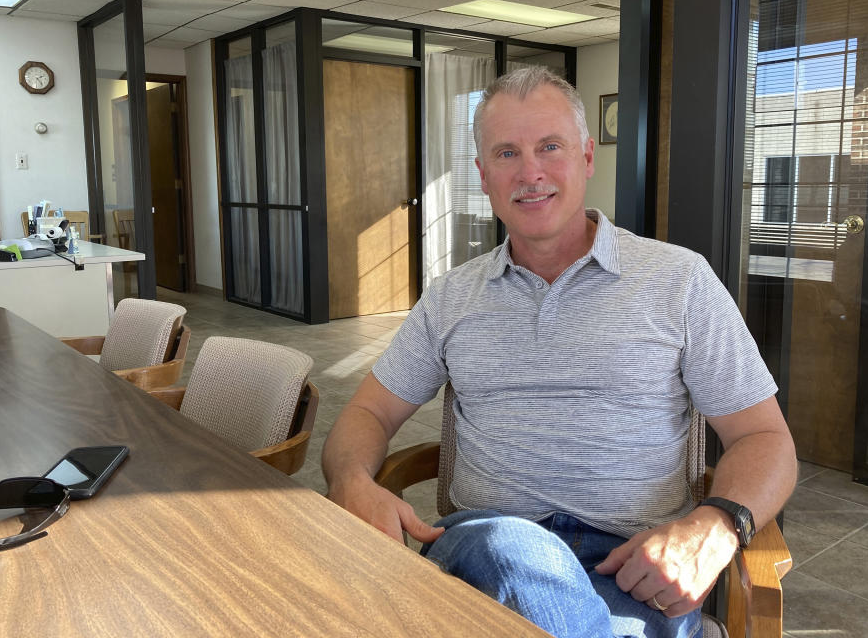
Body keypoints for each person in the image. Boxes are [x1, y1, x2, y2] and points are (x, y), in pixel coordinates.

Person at [322, 66, 797, 638]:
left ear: (588, 157)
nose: (531, 173)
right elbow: (367, 413)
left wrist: (716, 525)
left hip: (634, 570)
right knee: (511, 549)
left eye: (551, 146)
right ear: (482, 174)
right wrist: (351, 481)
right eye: (506, 153)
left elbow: (764, 438)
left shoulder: (680, 280)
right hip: (484, 553)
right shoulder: (452, 296)